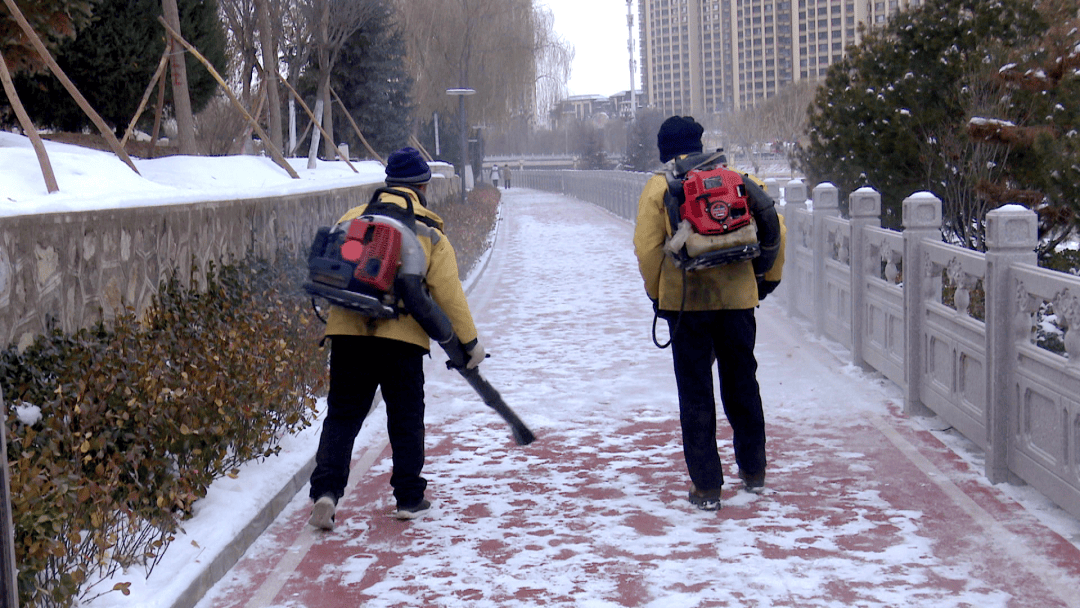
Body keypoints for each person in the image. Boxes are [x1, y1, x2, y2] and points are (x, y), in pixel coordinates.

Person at [308, 147, 486, 527]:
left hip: (348, 333)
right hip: (401, 341)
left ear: (387, 183)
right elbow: (449, 296)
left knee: (342, 415)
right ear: (422, 186)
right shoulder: (429, 233)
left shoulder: (354, 218)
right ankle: (408, 496)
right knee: (405, 417)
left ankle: (326, 493)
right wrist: (469, 345)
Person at [632, 116, 785, 511]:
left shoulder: (659, 186)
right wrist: (765, 280)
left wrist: (658, 295)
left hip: (686, 302)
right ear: (701, 143)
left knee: (696, 392)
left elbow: (647, 249)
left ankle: (706, 487)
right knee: (742, 383)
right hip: (737, 301)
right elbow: (775, 224)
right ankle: (753, 471)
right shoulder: (734, 176)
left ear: (665, 149)